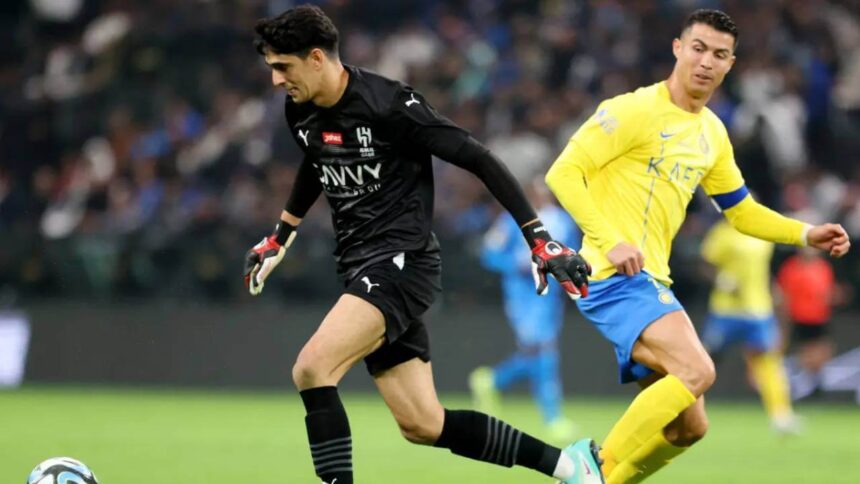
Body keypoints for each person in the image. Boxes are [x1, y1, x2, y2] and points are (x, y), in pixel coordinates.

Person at [243, 6, 597, 484]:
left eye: (283, 67)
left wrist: (538, 237)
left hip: (401, 263)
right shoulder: (299, 109)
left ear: (317, 58)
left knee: (312, 368)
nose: (276, 80)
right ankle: (571, 466)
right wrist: (280, 236)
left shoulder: (389, 104)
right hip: (359, 266)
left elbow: (478, 158)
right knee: (423, 424)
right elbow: (316, 158)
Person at [545, 9, 850, 484]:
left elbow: (742, 212)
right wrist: (611, 240)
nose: (707, 61)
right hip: (612, 273)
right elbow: (562, 173)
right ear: (678, 48)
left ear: (731, 64)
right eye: (699, 48)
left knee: (689, 427)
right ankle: (590, 465)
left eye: (720, 54)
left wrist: (805, 233)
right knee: (698, 371)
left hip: (649, 280)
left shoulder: (711, 133)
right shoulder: (632, 109)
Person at [469, 180, 580, 444]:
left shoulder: (562, 221)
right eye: (535, 193)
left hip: (550, 297)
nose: (540, 197)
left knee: (537, 351)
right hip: (521, 295)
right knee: (542, 349)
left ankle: (492, 381)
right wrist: (515, 263)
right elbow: (488, 253)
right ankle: (553, 419)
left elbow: (573, 254)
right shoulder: (512, 221)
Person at [699, 220, 798, 434]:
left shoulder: (761, 231)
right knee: (703, 359)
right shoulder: (721, 233)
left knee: (768, 361)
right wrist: (721, 280)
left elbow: (762, 269)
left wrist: (774, 291)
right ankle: (682, 408)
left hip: (758, 309)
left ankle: (781, 415)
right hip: (726, 309)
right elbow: (705, 264)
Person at [776, 246, 837, 400]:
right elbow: (784, 295)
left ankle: (815, 385)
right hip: (798, 318)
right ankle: (796, 386)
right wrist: (784, 318)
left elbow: (827, 293)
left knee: (821, 352)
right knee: (803, 353)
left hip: (819, 318)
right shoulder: (790, 268)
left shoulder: (823, 267)